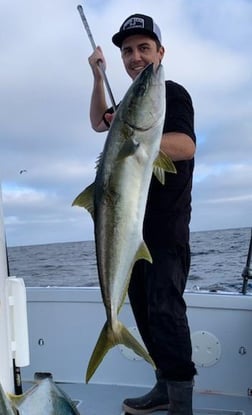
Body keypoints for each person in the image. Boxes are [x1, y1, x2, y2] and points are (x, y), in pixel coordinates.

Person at [88, 13, 197, 415]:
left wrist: (135, 136)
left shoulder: (170, 94)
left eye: (144, 48)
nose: (135, 57)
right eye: (128, 51)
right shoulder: (128, 105)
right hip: (127, 232)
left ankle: (181, 405)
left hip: (165, 231)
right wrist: (99, 78)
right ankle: (163, 388)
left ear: (160, 52)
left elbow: (185, 146)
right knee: (143, 312)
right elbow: (100, 121)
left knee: (166, 312)